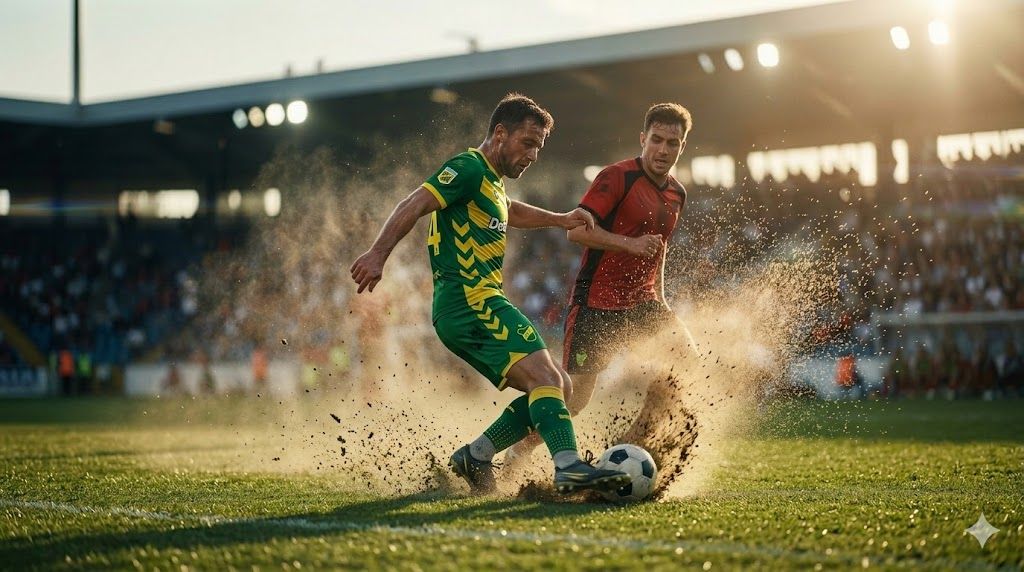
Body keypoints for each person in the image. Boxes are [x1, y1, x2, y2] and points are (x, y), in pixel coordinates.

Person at [349, 93, 631, 495]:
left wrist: (560, 219)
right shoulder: (467, 167)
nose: (533, 154)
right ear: (500, 133)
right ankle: (567, 466)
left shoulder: (492, 184)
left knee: (559, 387)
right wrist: (378, 254)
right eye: (528, 143)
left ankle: (476, 455)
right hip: (469, 303)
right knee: (548, 378)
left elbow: (510, 211)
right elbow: (415, 202)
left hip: (481, 303)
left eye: (539, 147)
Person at [506, 103, 698, 463]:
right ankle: (520, 450)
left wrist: (662, 296)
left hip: (644, 302)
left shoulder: (678, 194)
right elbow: (576, 231)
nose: (662, 150)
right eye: (656, 140)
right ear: (643, 139)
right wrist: (629, 244)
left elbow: (660, 250)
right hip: (596, 303)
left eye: (672, 143)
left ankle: (633, 442)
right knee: (575, 400)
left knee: (684, 359)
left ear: (682, 147)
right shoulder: (616, 178)